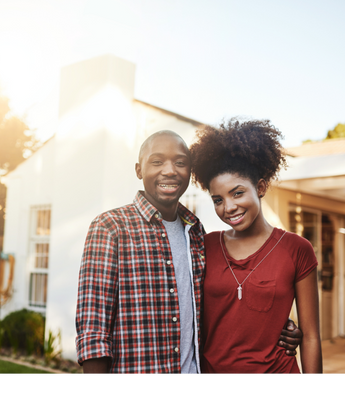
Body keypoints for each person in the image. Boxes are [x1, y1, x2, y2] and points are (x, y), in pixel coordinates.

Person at [75, 130, 303, 377]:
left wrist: (279, 327)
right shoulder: (111, 227)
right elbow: (93, 333)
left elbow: (217, 308)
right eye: (157, 161)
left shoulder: (196, 233)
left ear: (190, 172)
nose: (170, 170)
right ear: (139, 170)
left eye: (180, 162)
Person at [189, 118, 323, 377]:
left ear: (260, 187)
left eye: (237, 193)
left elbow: (311, 337)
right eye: (218, 199)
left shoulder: (297, 249)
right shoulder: (204, 246)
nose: (228, 207)